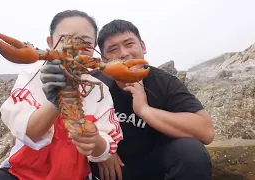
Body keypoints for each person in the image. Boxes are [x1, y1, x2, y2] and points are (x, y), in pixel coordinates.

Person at [0, 10, 122, 180]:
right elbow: (30, 132)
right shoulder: (32, 75)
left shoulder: (100, 88)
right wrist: (55, 103)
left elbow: (106, 144)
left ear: (93, 48)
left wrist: (97, 143)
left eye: (85, 42)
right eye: (66, 39)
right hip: (21, 174)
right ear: (50, 43)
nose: (75, 49)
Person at [88, 19, 215, 180]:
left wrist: (144, 109)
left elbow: (206, 131)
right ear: (104, 60)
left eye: (129, 44)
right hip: (113, 168)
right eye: (113, 49)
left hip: (157, 164)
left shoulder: (165, 82)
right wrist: (102, 151)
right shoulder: (94, 83)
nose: (124, 53)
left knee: (191, 151)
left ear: (143, 46)